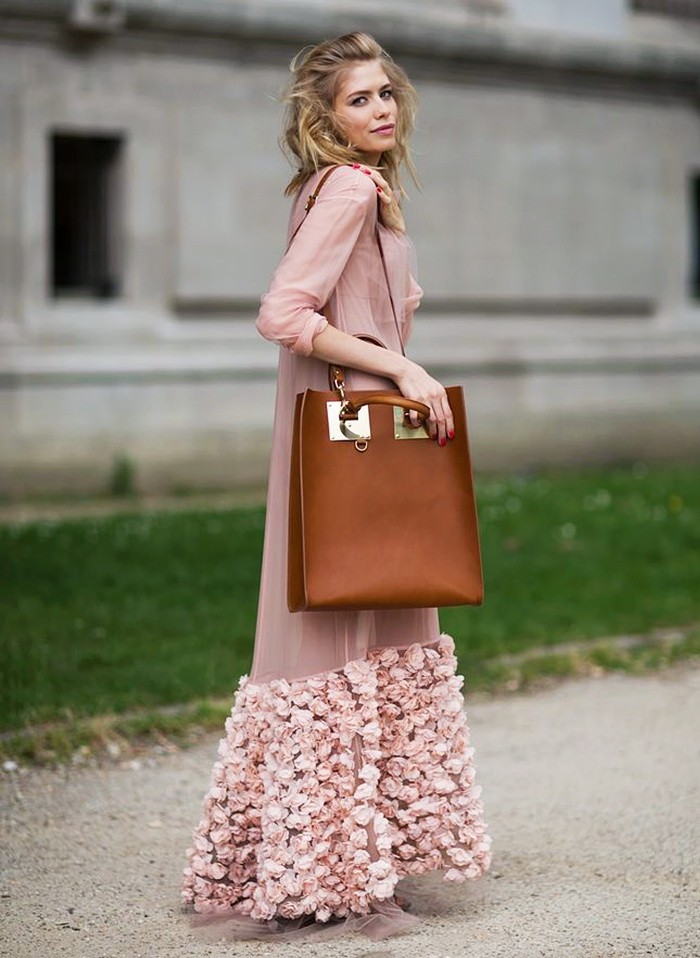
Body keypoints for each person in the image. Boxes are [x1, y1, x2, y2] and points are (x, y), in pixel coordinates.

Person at [180, 31, 492, 943]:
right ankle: (342, 880)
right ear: (325, 117)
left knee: (354, 627)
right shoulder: (348, 187)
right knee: (348, 630)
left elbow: (366, 304)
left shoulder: (343, 189)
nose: (381, 108)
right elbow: (283, 313)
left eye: (386, 92)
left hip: (343, 433)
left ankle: (330, 861)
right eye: (359, 99)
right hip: (352, 437)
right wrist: (402, 368)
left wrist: (394, 281)